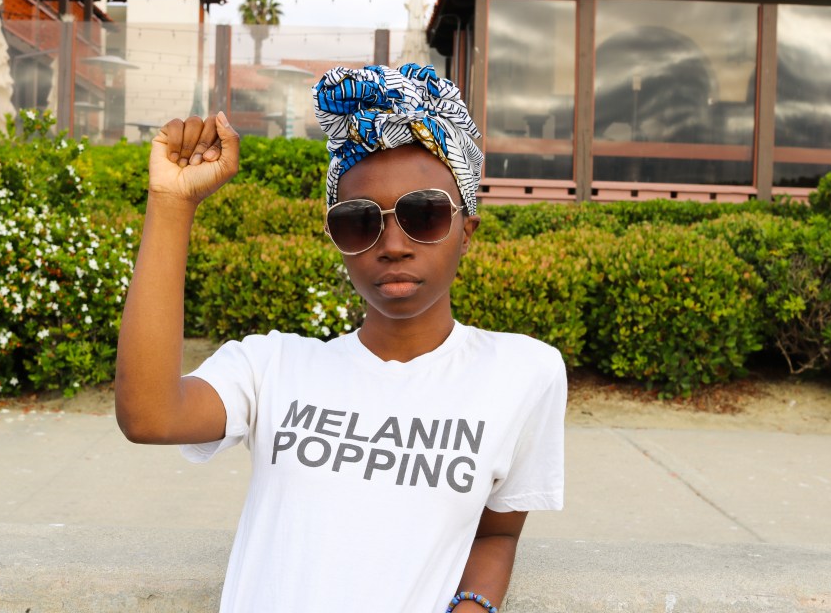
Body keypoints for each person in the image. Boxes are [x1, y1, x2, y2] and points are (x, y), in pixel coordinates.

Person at [115, 63, 567, 613]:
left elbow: (497, 531)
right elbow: (150, 416)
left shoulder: (523, 372)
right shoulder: (272, 366)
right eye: (360, 222)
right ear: (336, 237)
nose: (393, 245)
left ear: (466, 230)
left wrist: (473, 606)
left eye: (424, 214)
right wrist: (171, 204)